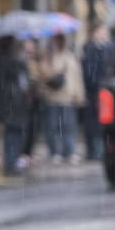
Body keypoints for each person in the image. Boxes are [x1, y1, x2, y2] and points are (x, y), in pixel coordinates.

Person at [35, 34, 84, 165]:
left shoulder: (71, 57)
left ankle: (69, 151)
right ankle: (55, 152)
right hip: (52, 97)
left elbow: (77, 78)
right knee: (52, 127)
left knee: (69, 126)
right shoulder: (48, 57)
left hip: (68, 97)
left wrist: (79, 95)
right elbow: (43, 76)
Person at [0, 38, 29, 175]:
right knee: (16, 133)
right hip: (16, 102)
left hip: (2, 103)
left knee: (7, 133)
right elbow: (23, 83)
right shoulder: (18, 62)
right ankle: (11, 162)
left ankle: (8, 161)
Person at [79, 22, 114, 162]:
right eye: (102, 31)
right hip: (93, 92)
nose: (104, 34)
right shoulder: (90, 50)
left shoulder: (110, 48)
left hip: (104, 91)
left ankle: (101, 150)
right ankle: (92, 151)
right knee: (92, 123)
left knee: (103, 123)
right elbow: (89, 72)